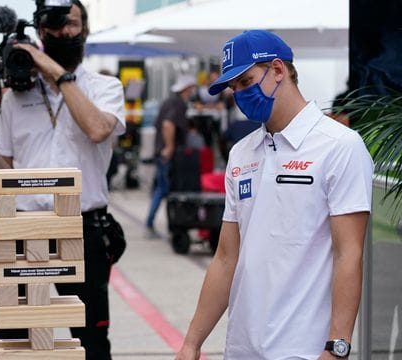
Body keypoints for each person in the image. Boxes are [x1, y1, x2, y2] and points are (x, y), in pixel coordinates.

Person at [175, 30, 373, 360]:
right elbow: (226, 258)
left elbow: (348, 254)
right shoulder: (241, 153)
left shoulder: (340, 146)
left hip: (304, 350)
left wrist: (337, 347)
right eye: (234, 87)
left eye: (245, 81)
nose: (239, 94)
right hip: (242, 348)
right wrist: (191, 342)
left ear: (278, 71)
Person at [0, 2, 125, 359]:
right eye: (54, 26)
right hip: (23, 228)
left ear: (85, 29)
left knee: (92, 339)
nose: (64, 32)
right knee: (15, 336)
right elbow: (1, 173)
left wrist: (50, 68)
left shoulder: (105, 87)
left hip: (83, 226)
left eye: (70, 23)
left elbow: (98, 129)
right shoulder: (14, 97)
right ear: (39, 32)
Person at [145, 74, 196, 231]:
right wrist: (170, 147)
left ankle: (164, 221)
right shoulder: (178, 104)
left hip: (160, 152)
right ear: (187, 88)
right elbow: (168, 124)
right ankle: (153, 221)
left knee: (161, 188)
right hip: (166, 154)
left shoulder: (169, 101)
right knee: (164, 189)